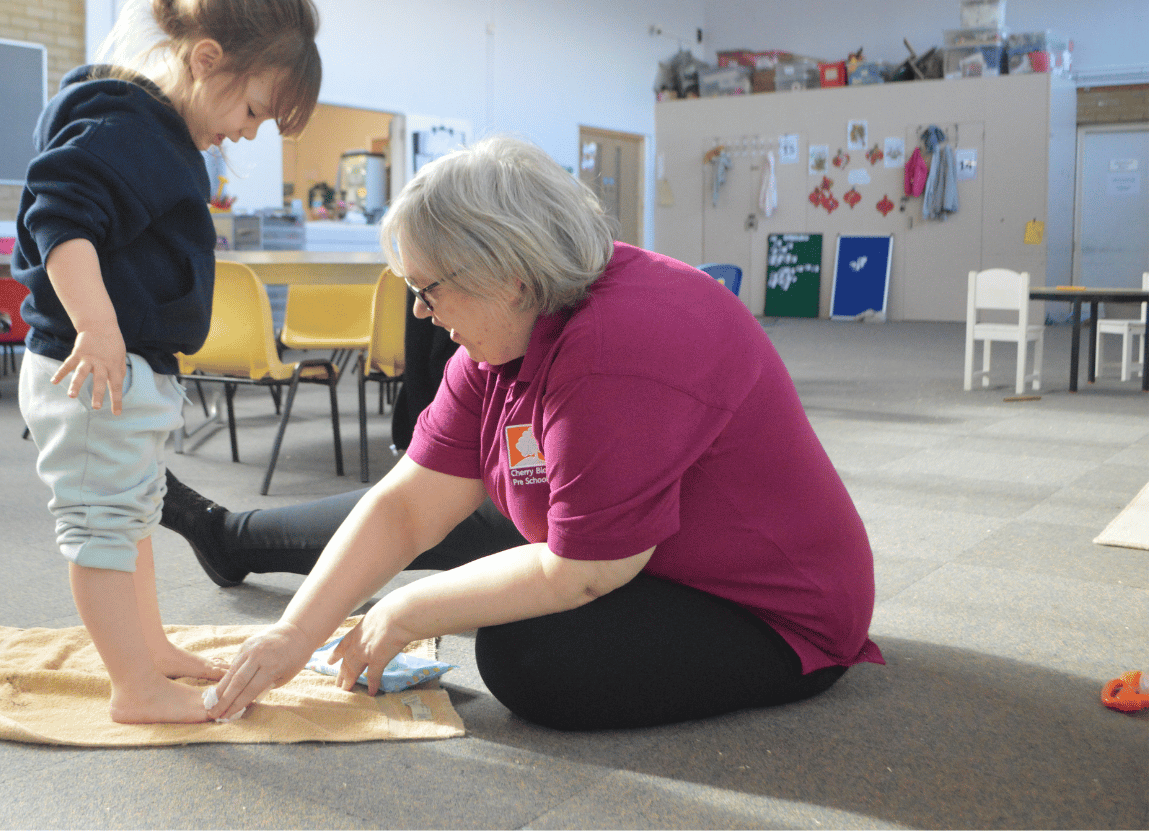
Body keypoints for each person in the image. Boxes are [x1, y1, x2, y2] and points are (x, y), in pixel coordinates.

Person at [164, 135, 885, 731]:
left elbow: (587, 571)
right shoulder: (505, 330)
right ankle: (235, 540)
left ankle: (243, 544)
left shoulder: (619, 347)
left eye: (428, 289)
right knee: (465, 532)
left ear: (505, 273)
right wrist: (294, 632)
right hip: (636, 544)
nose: (420, 313)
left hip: (768, 611)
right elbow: (408, 505)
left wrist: (407, 607)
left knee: (528, 656)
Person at [12, 0, 320, 724]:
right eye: (252, 109)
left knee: (133, 515)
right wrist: (96, 326)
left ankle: (147, 652)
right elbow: (58, 216)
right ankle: (133, 688)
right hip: (92, 365)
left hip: (124, 364)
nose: (248, 131)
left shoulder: (155, 131)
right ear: (206, 58)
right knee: (103, 525)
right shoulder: (128, 124)